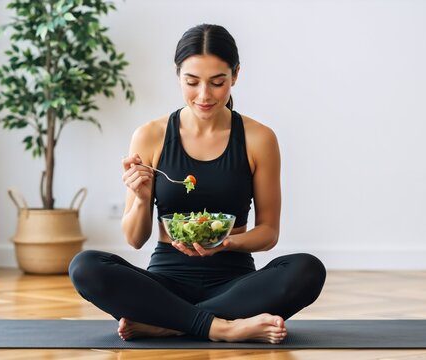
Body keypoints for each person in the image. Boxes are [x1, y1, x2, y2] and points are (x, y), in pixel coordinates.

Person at [69, 24, 326, 344]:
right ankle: (225, 327)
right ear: (178, 76)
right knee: (86, 266)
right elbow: (135, 240)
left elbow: (268, 233)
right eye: (192, 82)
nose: (204, 95)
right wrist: (140, 196)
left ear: (235, 75)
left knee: (307, 270)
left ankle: (169, 323)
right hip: (164, 284)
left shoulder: (260, 138)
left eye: (217, 82)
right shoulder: (150, 135)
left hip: (236, 286)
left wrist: (227, 243)